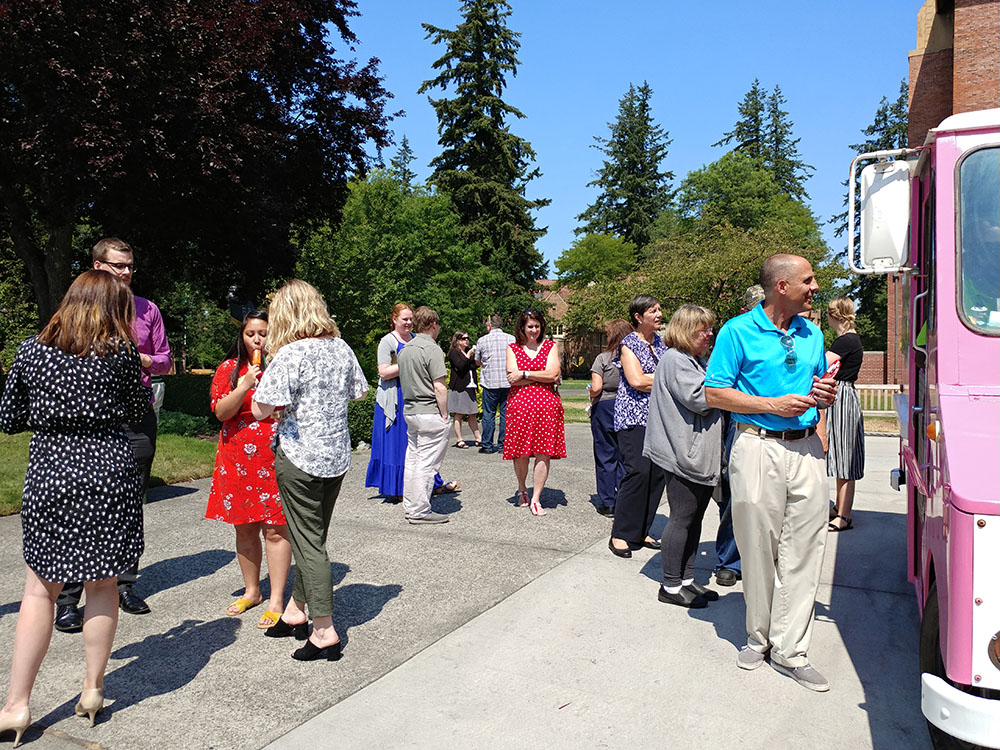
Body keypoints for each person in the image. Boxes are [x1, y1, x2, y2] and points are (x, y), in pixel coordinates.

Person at [0, 271, 150, 739]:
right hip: (108, 472)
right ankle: (91, 689)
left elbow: (8, 418)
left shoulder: (30, 351)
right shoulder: (121, 355)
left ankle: (16, 706)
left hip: (52, 474)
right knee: (103, 586)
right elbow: (132, 408)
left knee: (39, 591)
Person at [705, 253, 837, 692]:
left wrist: (824, 394)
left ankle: (790, 650)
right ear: (781, 286)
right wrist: (771, 406)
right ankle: (758, 637)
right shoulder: (737, 331)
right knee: (757, 547)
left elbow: (819, 392)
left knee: (805, 550)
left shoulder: (813, 333)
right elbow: (715, 393)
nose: (815, 286)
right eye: (808, 280)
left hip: (807, 450)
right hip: (756, 447)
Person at [56, 238, 171, 632]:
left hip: (135, 416)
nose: (124, 272)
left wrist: (134, 356)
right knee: (80, 505)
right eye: (116, 266)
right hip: (88, 418)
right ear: (97, 265)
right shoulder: (76, 311)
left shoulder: (147, 310)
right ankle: (69, 598)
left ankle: (124, 584)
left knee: (129, 501)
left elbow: (165, 361)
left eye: (129, 266)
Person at [251, 280, 367, 662]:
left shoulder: (289, 354)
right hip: (335, 458)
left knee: (310, 544)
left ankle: (323, 630)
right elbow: (359, 392)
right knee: (310, 538)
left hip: (300, 458)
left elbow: (260, 410)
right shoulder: (341, 348)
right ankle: (296, 609)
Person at [205, 311, 292, 629]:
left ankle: (277, 599)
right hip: (237, 460)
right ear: (242, 337)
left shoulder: (283, 367)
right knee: (244, 527)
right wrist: (243, 387)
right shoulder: (229, 369)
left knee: (275, 529)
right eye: (251, 334)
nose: (257, 339)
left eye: (264, 333)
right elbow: (220, 412)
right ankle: (252, 591)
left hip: (273, 457)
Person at [644, 305, 723, 608]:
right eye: (703, 329)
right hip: (682, 454)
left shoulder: (693, 360)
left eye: (710, 328)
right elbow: (700, 399)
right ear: (686, 330)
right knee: (681, 517)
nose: (709, 334)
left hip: (694, 454)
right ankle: (671, 584)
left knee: (694, 518)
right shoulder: (676, 360)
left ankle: (687, 579)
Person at [365, 304, 458, 501]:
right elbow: (383, 372)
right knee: (400, 446)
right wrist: (408, 363)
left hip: (414, 393)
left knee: (420, 447)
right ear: (394, 320)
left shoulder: (416, 340)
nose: (408, 323)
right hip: (394, 397)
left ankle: (432, 484)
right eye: (404, 319)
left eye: (410, 319)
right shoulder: (387, 341)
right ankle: (399, 488)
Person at [715, 283, 765, 588]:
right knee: (736, 492)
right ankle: (730, 561)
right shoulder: (735, 334)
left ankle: (762, 560)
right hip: (739, 425)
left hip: (783, 429)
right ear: (747, 309)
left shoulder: (792, 335)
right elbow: (719, 387)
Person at [608, 295, 666, 558]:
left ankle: (641, 530)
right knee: (638, 472)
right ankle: (620, 533)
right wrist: (667, 380)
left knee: (657, 475)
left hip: (660, 419)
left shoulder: (663, 344)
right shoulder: (628, 344)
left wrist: (661, 379)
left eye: (659, 309)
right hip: (633, 418)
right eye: (652, 311)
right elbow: (637, 381)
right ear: (638, 317)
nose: (659, 314)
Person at [504, 309, 566, 516]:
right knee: (520, 452)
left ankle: (536, 498)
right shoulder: (512, 348)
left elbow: (554, 373)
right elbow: (512, 378)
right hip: (520, 407)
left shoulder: (550, 346)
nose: (534, 330)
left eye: (537, 326)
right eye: (530, 326)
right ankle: (522, 489)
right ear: (522, 327)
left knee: (543, 452)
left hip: (546, 407)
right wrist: (543, 376)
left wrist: (525, 373)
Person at [397, 306, 453, 524]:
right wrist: (445, 415)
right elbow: (439, 386)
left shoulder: (405, 350)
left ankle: (411, 505)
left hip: (410, 410)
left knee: (413, 459)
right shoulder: (432, 349)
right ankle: (420, 510)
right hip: (430, 411)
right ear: (433, 325)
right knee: (427, 464)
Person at [824, 297, 865, 532]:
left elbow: (820, 364)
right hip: (842, 395)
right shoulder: (848, 339)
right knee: (841, 453)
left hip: (842, 396)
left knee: (845, 456)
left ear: (833, 316)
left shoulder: (845, 341)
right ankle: (839, 507)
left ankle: (845, 515)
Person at [588, 319, 631, 517]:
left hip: (605, 405)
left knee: (605, 453)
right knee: (624, 455)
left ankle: (608, 502)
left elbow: (596, 387)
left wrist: (590, 394)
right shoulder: (633, 357)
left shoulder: (603, 358)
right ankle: (625, 497)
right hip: (628, 405)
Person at [475, 314, 515, 454]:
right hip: (508, 382)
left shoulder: (482, 340)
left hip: (490, 382)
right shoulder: (511, 339)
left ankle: (487, 444)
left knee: (488, 414)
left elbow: (477, 361)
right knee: (505, 414)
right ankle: (503, 444)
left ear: (489, 325)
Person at [447, 331, 481, 448]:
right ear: (457, 340)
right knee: (458, 413)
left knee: (472, 413)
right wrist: (468, 356)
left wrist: (476, 356)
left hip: (470, 386)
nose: (467, 340)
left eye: (467, 338)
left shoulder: (468, 351)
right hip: (459, 387)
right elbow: (461, 366)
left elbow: (473, 365)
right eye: (463, 338)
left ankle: (478, 438)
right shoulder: (453, 353)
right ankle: (459, 439)